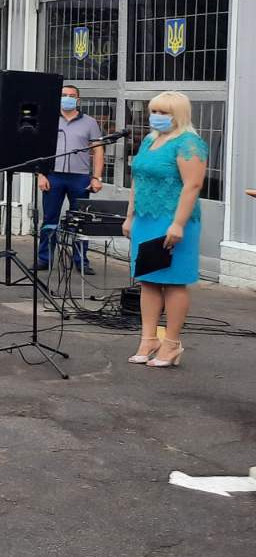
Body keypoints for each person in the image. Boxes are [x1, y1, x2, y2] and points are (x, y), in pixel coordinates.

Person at [124, 91, 208, 369]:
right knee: (147, 280)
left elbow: (192, 185)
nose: (157, 117)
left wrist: (178, 223)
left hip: (174, 219)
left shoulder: (189, 143)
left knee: (173, 281)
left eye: (163, 113)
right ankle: (148, 339)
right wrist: (129, 217)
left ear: (179, 115)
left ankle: (171, 343)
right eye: (154, 112)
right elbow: (137, 180)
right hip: (146, 218)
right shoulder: (150, 140)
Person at [35, 84, 106, 273]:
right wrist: (41, 174)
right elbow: (39, 149)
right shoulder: (48, 120)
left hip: (80, 178)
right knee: (50, 219)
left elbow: (98, 150)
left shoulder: (90, 122)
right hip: (53, 176)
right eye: (64, 95)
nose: (67, 98)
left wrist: (96, 177)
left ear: (78, 100)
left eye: (71, 95)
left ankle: (81, 260)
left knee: (81, 221)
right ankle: (45, 258)